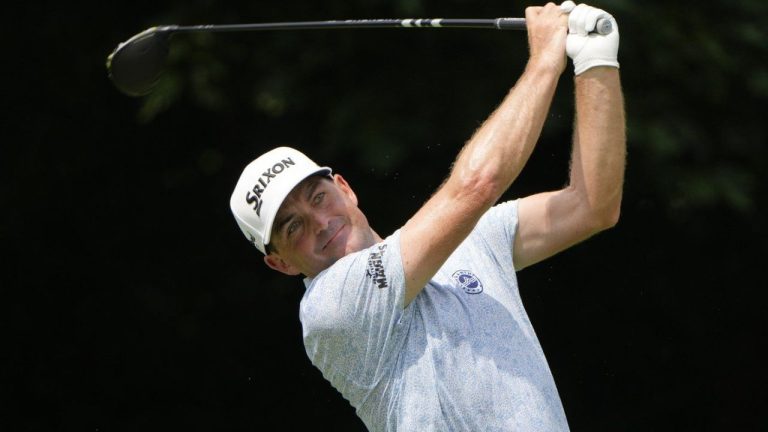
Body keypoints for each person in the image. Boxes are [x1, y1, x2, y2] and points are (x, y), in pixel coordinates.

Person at [229, 1, 625, 430]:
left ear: (344, 188)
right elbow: (476, 186)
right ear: (281, 262)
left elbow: (592, 206)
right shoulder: (330, 310)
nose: (320, 222)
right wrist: (546, 59)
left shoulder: (469, 239)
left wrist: (595, 63)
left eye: (318, 197)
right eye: (293, 227)